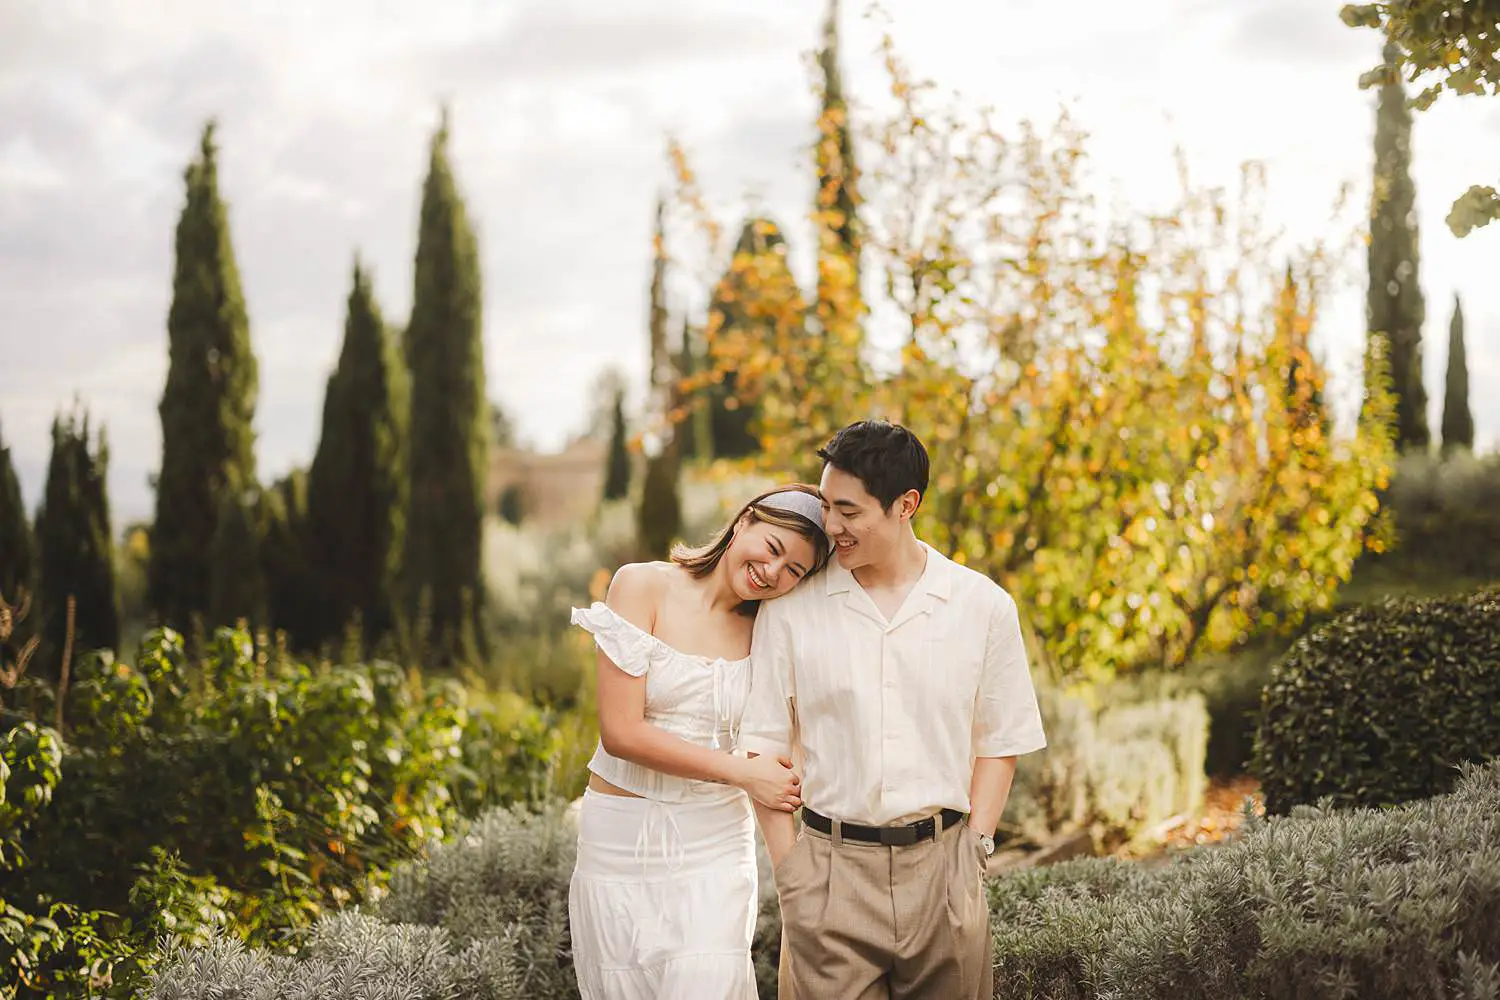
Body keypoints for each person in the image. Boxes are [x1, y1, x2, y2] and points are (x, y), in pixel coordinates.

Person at [740, 421, 1047, 1000]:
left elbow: (1000, 741)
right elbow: (764, 745)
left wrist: (974, 852)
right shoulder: (791, 610)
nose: (831, 526)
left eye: (849, 511)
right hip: (829, 875)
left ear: (906, 505)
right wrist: (794, 877)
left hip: (945, 876)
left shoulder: (982, 607)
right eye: (828, 505)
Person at [568, 484, 833, 1000]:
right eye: (773, 549)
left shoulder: (774, 628)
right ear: (745, 521)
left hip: (714, 845)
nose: (773, 574)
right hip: (618, 842)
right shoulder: (641, 586)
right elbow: (621, 733)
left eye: (794, 572)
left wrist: (799, 881)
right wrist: (741, 773)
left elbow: (781, 748)